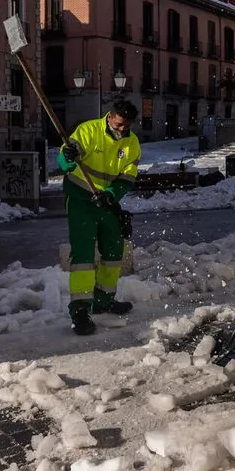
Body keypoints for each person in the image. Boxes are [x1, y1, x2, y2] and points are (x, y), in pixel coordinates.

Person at [58, 100, 142, 335]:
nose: (123, 129)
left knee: (115, 248)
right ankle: (80, 311)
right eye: (120, 124)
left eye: (128, 126)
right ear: (110, 116)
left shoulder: (132, 143)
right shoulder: (88, 131)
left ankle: (104, 301)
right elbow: (63, 162)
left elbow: (128, 176)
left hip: (105, 201)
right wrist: (68, 155)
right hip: (79, 198)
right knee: (83, 254)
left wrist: (111, 195)